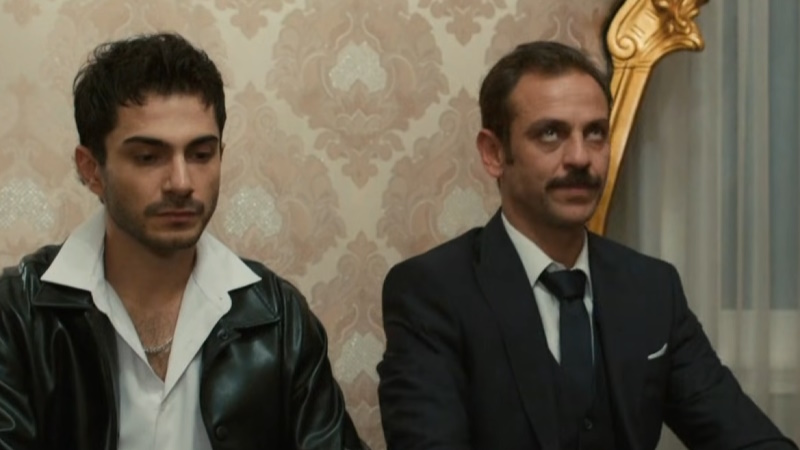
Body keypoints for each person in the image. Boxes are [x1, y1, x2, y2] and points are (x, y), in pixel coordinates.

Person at [377, 41, 796, 450]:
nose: (580, 157)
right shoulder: (432, 293)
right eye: (551, 134)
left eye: (595, 133)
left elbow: (745, 435)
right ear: (494, 153)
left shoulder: (652, 288)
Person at [0, 32, 365, 450]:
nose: (181, 182)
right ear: (92, 169)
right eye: (148, 157)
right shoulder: (19, 313)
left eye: (201, 154)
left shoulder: (277, 317)